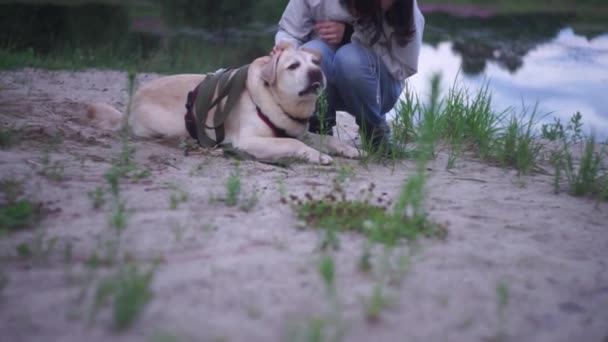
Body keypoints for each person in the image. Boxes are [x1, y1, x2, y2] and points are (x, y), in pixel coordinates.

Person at [274, 0, 425, 152]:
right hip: (328, 81)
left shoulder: (406, 8)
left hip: (377, 88)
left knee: (348, 59)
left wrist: (351, 35)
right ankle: (319, 128)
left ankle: (374, 132)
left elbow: (404, 68)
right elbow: (289, 31)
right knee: (310, 52)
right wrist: (287, 50)